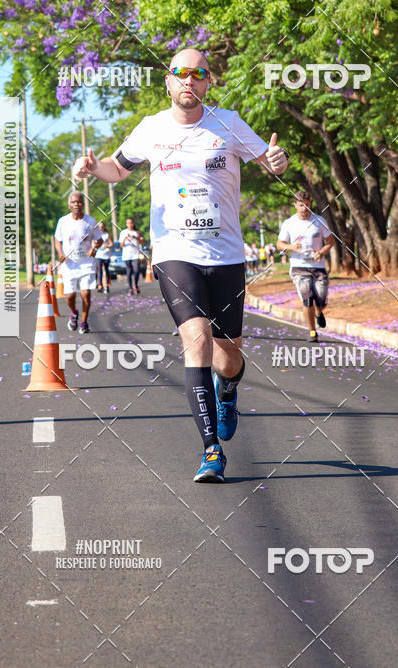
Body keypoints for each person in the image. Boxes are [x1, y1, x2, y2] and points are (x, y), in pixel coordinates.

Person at [73, 48, 288, 482]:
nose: (189, 80)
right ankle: (211, 451)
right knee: (196, 339)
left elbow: (267, 159)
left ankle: (227, 391)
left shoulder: (227, 123)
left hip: (227, 255)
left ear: (208, 83)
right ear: (168, 83)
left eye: (198, 74)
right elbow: (119, 167)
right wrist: (95, 168)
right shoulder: (151, 129)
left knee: (228, 357)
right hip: (174, 253)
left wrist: (276, 160)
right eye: (180, 74)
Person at [276, 190, 335, 342]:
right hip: (298, 267)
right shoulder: (289, 223)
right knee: (307, 298)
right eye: (301, 205)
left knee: (321, 298)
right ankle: (312, 332)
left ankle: (318, 312)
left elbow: (330, 241)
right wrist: (290, 247)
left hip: (318, 266)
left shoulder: (319, 221)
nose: (304, 209)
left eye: (307, 205)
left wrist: (321, 252)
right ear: (295, 205)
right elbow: (279, 244)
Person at [54, 192, 104, 334]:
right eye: (74, 202)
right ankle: (73, 312)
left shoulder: (90, 221)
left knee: (85, 293)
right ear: (69, 205)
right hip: (69, 264)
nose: (77, 204)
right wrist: (60, 253)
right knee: (70, 296)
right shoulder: (63, 221)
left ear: (83, 204)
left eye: (79, 202)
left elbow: (99, 239)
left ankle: (84, 321)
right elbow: (58, 240)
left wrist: (94, 248)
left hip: (86, 263)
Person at [118, 218, 145, 295]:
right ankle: (130, 288)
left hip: (135, 254)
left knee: (136, 270)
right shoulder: (123, 232)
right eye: (128, 223)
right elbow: (121, 245)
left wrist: (135, 237)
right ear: (126, 224)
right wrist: (125, 238)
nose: (130, 224)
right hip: (127, 255)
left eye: (131, 223)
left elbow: (142, 242)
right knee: (129, 271)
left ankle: (135, 285)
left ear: (133, 224)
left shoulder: (137, 232)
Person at [95, 221, 113, 293]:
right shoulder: (95, 235)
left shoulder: (107, 234)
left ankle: (107, 284)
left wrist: (106, 246)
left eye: (102, 227)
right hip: (98, 255)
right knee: (99, 270)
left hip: (106, 255)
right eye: (99, 227)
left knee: (106, 269)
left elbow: (111, 244)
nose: (101, 228)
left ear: (104, 227)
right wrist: (96, 246)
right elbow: (93, 243)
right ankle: (100, 285)